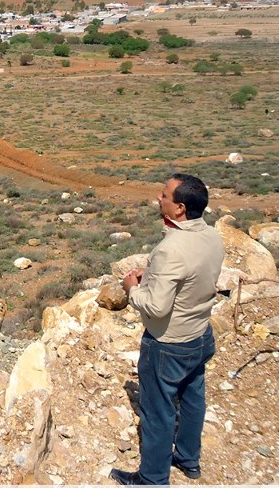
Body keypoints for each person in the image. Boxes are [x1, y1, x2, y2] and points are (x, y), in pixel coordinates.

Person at [110, 173, 224, 485]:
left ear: (180, 208)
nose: (158, 199)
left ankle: (152, 478)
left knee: (158, 412)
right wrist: (153, 275)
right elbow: (193, 275)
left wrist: (132, 288)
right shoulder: (212, 236)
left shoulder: (170, 248)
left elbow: (157, 308)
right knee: (192, 398)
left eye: (164, 196)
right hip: (201, 334)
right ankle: (188, 459)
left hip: (168, 343)